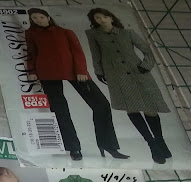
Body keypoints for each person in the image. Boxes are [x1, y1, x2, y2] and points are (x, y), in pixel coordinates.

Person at [25, 8, 127, 161]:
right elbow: (31, 53)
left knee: (101, 104)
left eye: (41, 17)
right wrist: (32, 70)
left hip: (73, 71)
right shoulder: (31, 34)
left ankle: (108, 145)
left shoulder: (65, 32)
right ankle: (73, 148)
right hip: (47, 73)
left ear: (48, 17)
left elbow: (77, 52)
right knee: (60, 110)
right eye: (34, 18)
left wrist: (81, 71)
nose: (38, 20)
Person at [86, 8, 172, 164]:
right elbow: (95, 54)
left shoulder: (128, 33)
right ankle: (152, 145)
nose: (102, 20)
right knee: (131, 108)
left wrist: (146, 66)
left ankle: (160, 141)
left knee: (150, 108)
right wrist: (99, 72)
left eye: (105, 16)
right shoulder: (94, 35)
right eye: (97, 18)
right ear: (94, 21)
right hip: (116, 76)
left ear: (111, 18)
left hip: (138, 73)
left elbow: (148, 51)